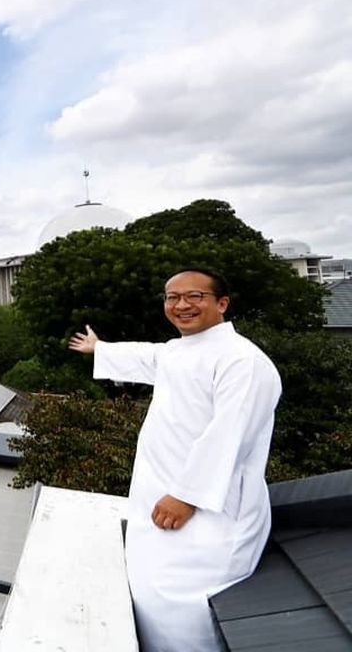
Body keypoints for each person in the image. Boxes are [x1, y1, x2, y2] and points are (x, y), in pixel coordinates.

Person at [68, 267, 281, 652]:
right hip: (160, 502)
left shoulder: (243, 361)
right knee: (146, 589)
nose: (181, 305)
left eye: (194, 296)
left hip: (209, 511)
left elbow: (229, 434)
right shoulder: (178, 351)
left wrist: (186, 496)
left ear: (222, 303)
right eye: (172, 297)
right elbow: (147, 355)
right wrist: (100, 348)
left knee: (183, 606)